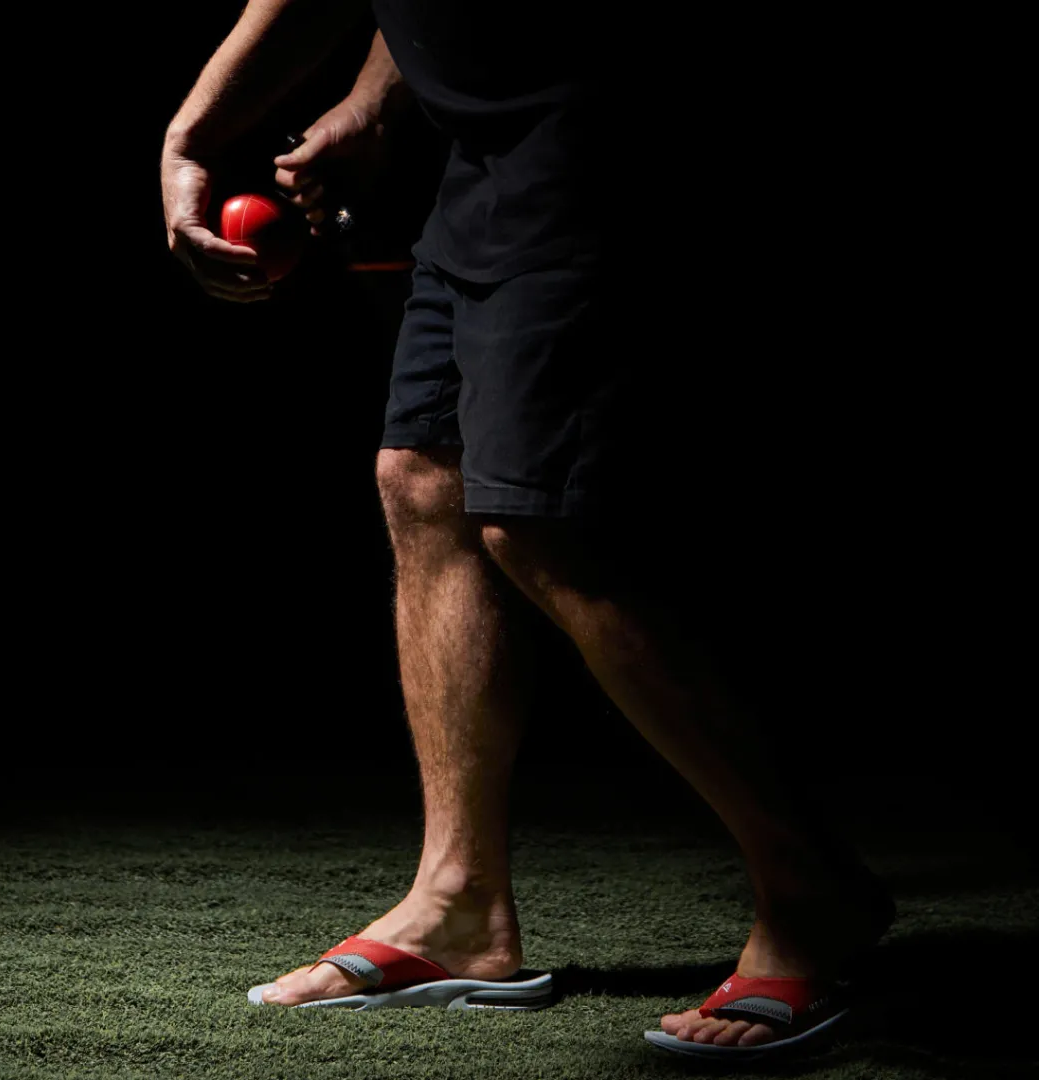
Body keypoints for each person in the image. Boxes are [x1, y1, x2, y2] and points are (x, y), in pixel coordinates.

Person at [161, 0, 894, 1059]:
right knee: (425, 481)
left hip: (595, 143)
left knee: (538, 525)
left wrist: (189, 136)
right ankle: (459, 906)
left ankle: (809, 888)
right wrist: (377, 95)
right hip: (487, 157)